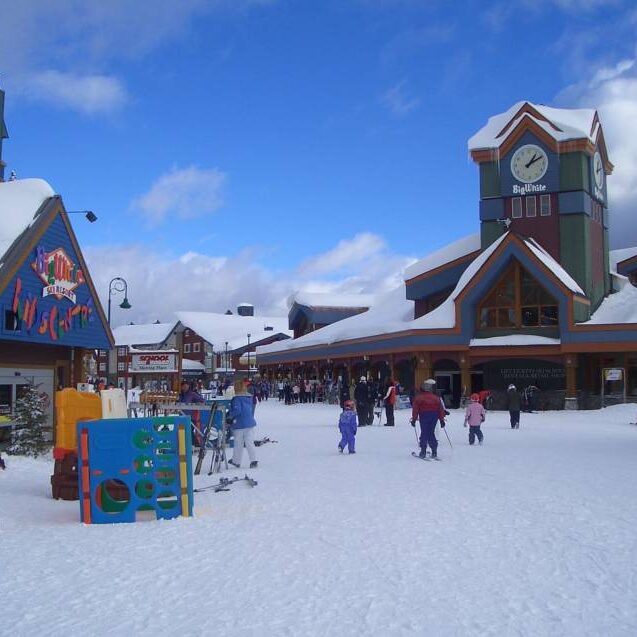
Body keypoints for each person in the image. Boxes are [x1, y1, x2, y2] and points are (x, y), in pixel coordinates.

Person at [411, 379, 446, 459]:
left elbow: (415, 409)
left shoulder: (418, 398)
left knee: (424, 432)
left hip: (424, 415)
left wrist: (414, 420)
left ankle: (423, 451)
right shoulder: (436, 398)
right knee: (431, 432)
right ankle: (434, 451)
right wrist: (442, 420)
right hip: (434, 416)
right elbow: (440, 409)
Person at [228, 378, 258, 469]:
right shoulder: (248, 398)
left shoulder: (237, 399)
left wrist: (229, 415)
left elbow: (237, 410)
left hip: (240, 423)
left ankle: (236, 461)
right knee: (249, 442)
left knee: (238, 443)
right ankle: (253, 460)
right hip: (250, 422)